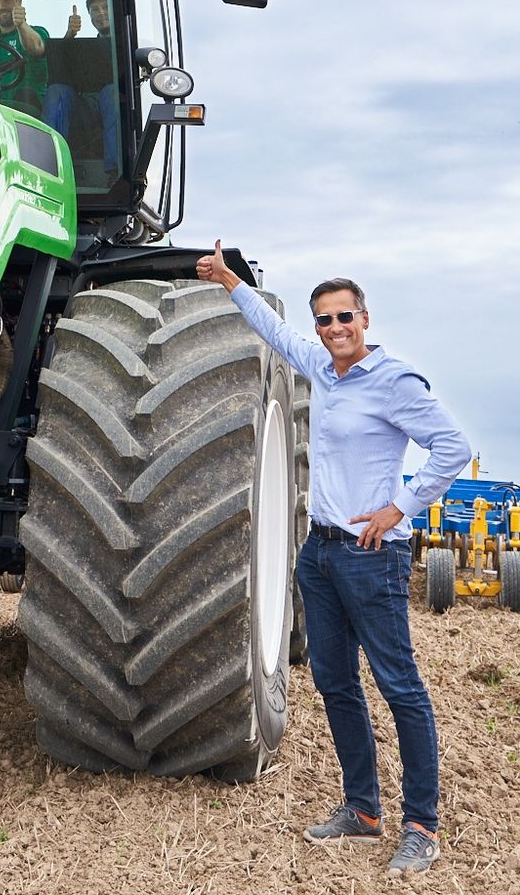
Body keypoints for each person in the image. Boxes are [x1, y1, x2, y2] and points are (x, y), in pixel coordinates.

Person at [196, 243, 471, 879]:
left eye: (343, 317)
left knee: (399, 687)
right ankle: (362, 809)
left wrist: (398, 509)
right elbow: (273, 330)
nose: (333, 329)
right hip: (319, 554)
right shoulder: (321, 368)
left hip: (373, 557)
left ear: (364, 320)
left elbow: (452, 447)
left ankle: (422, 826)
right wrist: (231, 280)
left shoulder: (395, 381)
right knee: (335, 682)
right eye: (324, 319)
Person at [44, 0, 120, 172]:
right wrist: (70, 35)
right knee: (56, 92)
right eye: (95, 9)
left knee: (112, 92)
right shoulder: (83, 50)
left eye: (106, 7)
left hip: (116, 107)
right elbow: (58, 69)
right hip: (85, 107)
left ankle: (114, 170)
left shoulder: (130, 46)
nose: (101, 13)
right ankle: (49, 166)